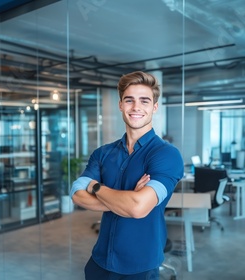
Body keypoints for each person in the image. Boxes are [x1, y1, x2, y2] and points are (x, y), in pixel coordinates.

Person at [70, 71, 184, 279]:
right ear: (121, 105)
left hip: (139, 266)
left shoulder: (166, 155)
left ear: (154, 107)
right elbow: (77, 194)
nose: (136, 107)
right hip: (99, 261)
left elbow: (137, 208)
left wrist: (96, 187)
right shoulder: (103, 153)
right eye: (129, 100)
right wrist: (127, 197)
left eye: (144, 101)